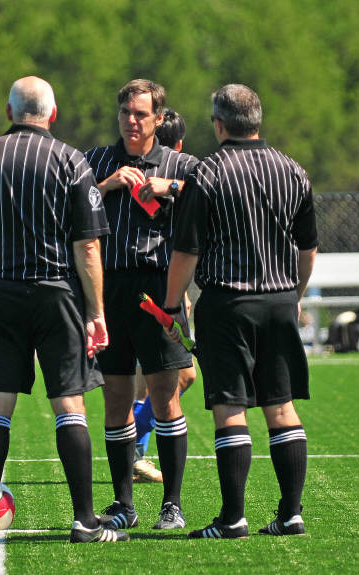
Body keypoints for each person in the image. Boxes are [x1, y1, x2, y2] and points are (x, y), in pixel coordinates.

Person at [0, 76, 129, 544]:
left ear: (9, 112)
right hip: (56, 295)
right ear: (53, 114)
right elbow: (87, 247)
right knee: (69, 405)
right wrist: (97, 312)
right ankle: (85, 521)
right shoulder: (71, 160)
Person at [164, 84, 318, 539]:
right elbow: (307, 248)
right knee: (282, 407)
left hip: (228, 305)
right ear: (257, 120)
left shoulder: (208, 173)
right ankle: (291, 514)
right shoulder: (293, 170)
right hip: (280, 300)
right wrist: (294, 295)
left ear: (218, 124)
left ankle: (233, 518)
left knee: (230, 408)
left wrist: (172, 307)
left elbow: (187, 251)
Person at [85, 79, 198, 530]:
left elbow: (210, 201)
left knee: (166, 397)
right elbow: (67, 208)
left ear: (158, 119)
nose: (131, 121)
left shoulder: (180, 164)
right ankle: (123, 505)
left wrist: (170, 187)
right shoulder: (96, 160)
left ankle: (172, 505)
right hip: (108, 289)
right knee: (116, 398)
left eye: (141, 114)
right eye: (125, 113)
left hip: (159, 290)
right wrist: (106, 185)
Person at [132, 108, 197, 483]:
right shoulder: (170, 183)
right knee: (182, 376)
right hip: (160, 290)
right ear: (180, 145)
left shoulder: (146, 177)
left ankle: (134, 451)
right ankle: (133, 444)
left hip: (148, 288)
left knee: (150, 381)